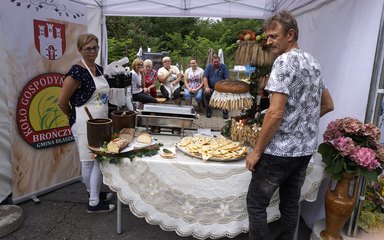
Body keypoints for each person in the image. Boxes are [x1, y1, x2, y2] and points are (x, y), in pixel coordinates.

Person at [245, 11, 334, 240]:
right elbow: (328, 104)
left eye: (274, 36)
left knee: (256, 205)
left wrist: (256, 152)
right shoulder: (313, 62)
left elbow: (275, 113)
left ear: (291, 34)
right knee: (290, 205)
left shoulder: (283, 62)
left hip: (279, 152)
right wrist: (303, 120)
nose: (269, 41)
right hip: (304, 150)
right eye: (267, 37)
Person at [57, 33, 115, 213]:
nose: (92, 51)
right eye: (87, 48)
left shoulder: (97, 68)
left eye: (94, 47)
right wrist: (74, 118)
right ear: (80, 50)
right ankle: (94, 202)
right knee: (92, 161)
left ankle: (94, 192)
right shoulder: (77, 71)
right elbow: (61, 102)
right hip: (84, 122)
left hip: (101, 121)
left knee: (98, 159)